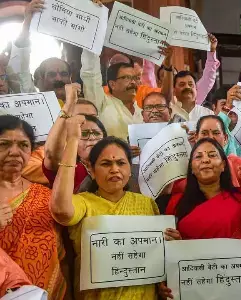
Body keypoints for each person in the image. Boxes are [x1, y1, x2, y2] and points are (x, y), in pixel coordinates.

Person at [50, 120, 160, 299]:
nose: (115, 169)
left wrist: (169, 242)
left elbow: (155, 256)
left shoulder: (146, 204)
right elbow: (61, 210)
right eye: (106, 164)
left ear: (130, 170)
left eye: (121, 163)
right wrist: (72, 141)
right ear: (91, 170)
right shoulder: (83, 204)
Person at [158, 138, 241, 299]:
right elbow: (168, 255)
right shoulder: (175, 204)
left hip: (239, 286)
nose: (205, 159)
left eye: (212, 155)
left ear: (223, 165)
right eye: (198, 157)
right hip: (196, 289)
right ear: (191, 168)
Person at [0, 115, 67, 299]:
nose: (14, 152)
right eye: (4, 144)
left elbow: (62, 256)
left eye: (23, 145)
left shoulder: (46, 196)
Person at [81, 35, 173, 140]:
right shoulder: (101, 103)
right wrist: (92, 42)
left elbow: (165, 99)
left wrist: (168, 67)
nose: (133, 82)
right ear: (112, 84)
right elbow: (90, 74)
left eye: (135, 78)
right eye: (127, 78)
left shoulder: (142, 111)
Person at [43, 88, 107, 192]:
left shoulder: (115, 159)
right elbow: (51, 154)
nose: (87, 122)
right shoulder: (65, 161)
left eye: (93, 117)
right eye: (80, 117)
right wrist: (69, 105)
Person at [158, 34, 220, 106]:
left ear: (197, 90)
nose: (187, 87)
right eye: (182, 84)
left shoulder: (205, 112)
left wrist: (212, 51)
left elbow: (208, 78)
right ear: (174, 90)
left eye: (191, 84)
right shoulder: (168, 110)